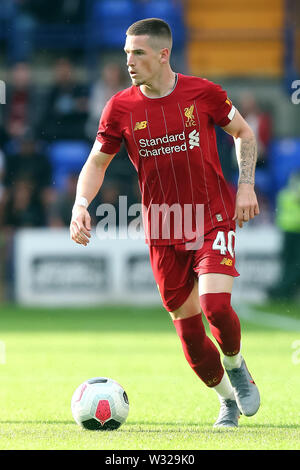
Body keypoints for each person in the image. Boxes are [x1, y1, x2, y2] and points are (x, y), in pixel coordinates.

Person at [70, 18, 260, 428]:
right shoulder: (120, 107)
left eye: (137, 53)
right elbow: (96, 162)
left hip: (210, 219)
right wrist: (80, 204)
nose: (129, 62)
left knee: (216, 306)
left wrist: (245, 185)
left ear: (163, 54)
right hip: (163, 228)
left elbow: (244, 133)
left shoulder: (202, 93)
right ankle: (226, 400)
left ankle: (236, 363)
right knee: (190, 334)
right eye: (126, 54)